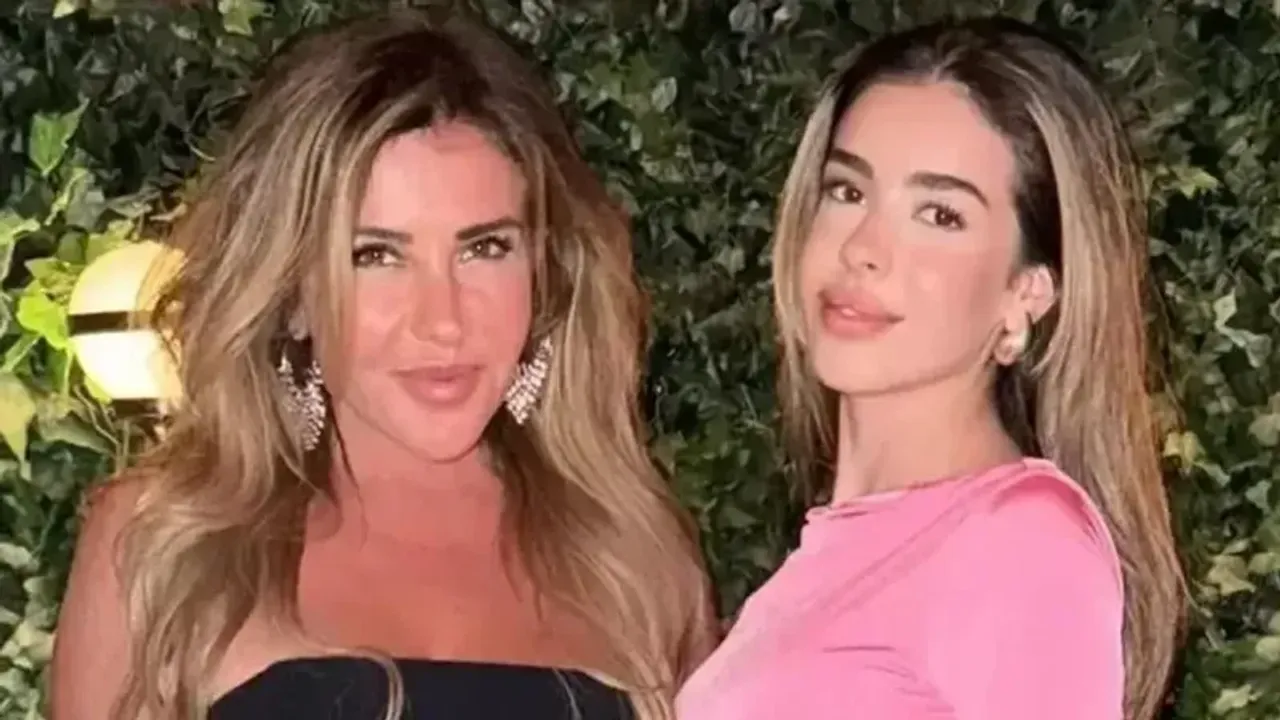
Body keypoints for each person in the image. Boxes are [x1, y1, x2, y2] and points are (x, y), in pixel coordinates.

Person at [51, 8, 715, 720]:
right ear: (293, 294)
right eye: (376, 255)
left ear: (545, 273)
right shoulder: (168, 545)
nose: (443, 321)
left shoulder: (637, 560)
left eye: (484, 248)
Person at [676, 16, 1184, 720]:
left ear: (1027, 291)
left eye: (939, 215)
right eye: (848, 191)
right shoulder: (841, 552)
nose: (863, 248)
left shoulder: (1022, 544)